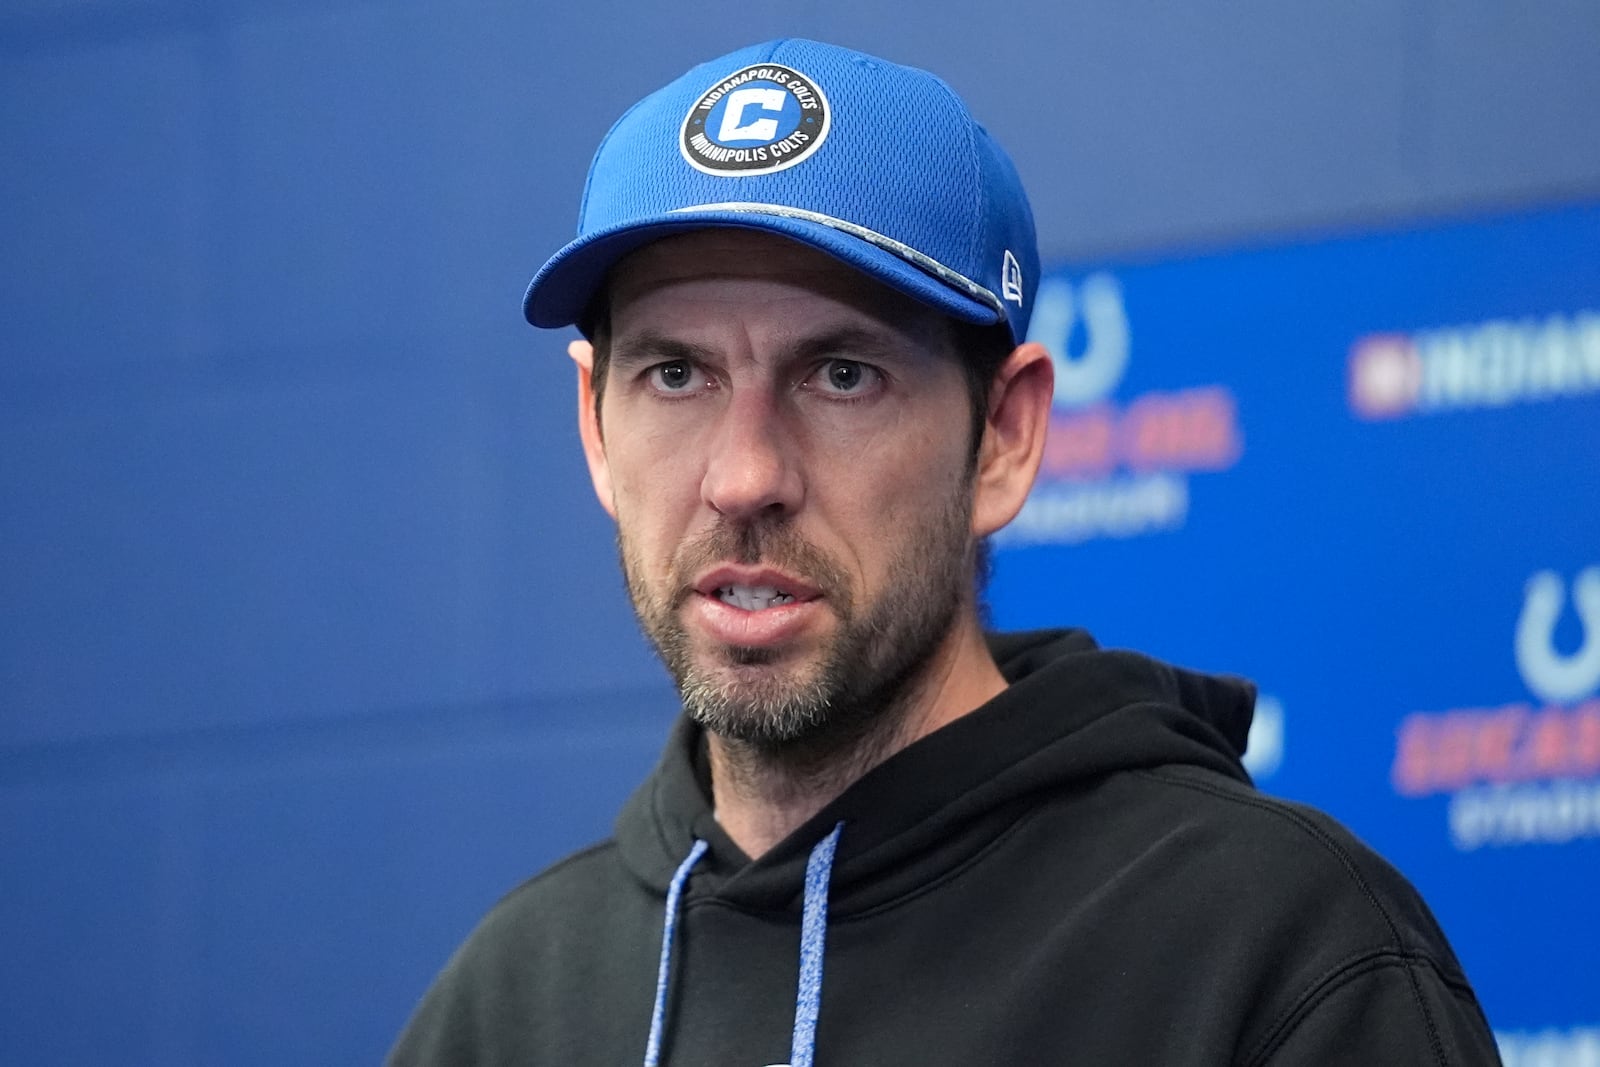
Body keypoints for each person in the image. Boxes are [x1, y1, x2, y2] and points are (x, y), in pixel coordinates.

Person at [388, 38, 1501, 1066]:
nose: (741, 477)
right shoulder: (509, 1001)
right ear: (594, 424)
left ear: (1004, 437)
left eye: (841, 375)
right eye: (674, 375)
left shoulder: (1277, 950)